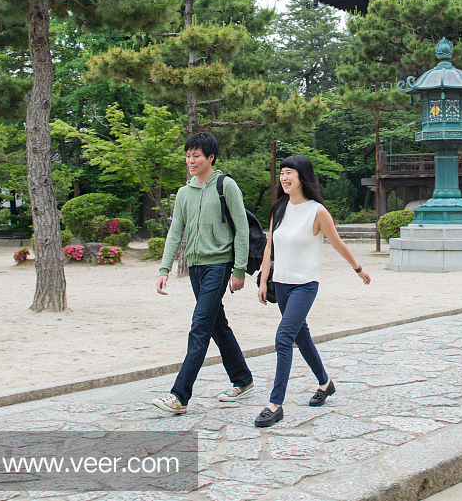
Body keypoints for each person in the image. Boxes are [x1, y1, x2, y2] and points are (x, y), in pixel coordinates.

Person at [254, 154, 370, 427]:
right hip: (280, 283)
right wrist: (263, 280)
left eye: (289, 173)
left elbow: (337, 243)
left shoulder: (317, 211)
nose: (284, 177)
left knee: (284, 338)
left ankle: (275, 403)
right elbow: (270, 246)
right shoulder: (278, 209)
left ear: (302, 177)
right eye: (282, 172)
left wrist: (358, 269)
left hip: (305, 285)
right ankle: (325, 383)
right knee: (301, 335)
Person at [152, 132, 254, 414]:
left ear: (210, 157)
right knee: (216, 324)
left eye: (196, 155)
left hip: (219, 264)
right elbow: (176, 232)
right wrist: (164, 268)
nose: (190, 160)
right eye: (188, 155)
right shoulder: (184, 193)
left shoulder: (226, 185)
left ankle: (180, 395)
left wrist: (240, 269)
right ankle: (242, 379)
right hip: (195, 267)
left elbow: (242, 228)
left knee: (200, 326)